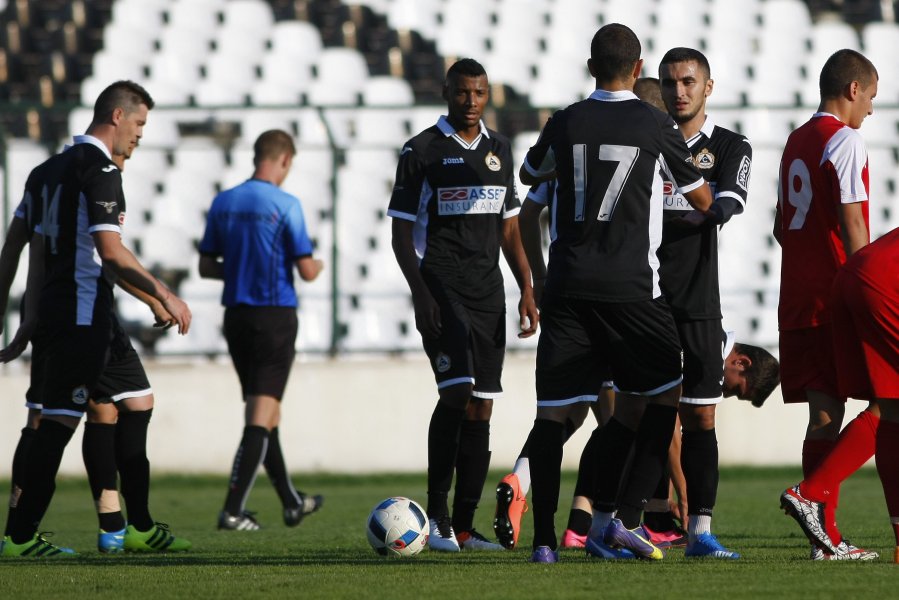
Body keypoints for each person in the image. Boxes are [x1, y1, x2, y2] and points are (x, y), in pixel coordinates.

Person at [518, 23, 712, 563]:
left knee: (553, 415)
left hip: (568, 288)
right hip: (631, 289)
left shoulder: (565, 121)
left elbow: (529, 172)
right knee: (665, 395)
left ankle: (545, 543)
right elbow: (698, 196)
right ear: (639, 67)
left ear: (589, 67)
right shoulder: (654, 122)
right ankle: (621, 517)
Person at [1, 80, 192, 558]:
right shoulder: (101, 171)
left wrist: (25, 317)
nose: (141, 134)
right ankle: (19, 536)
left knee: (136, 401)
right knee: (58, 423)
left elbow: (19, 250)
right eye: (140, 123)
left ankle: (133, 526)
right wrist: (165, 292)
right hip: (81, 322)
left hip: (75, 317)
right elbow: (111, 253)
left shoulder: (44, 173)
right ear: (116, 116)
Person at [389, 58, 538, 552]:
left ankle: (467, 526)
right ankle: (436, 517)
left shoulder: (500, 148)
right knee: (456, 394)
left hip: (487, 291)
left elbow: (511, 227)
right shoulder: (421, 151)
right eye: (462, 93)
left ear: (487, 94)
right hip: (442, 284)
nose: (471, 102)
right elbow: (400, 232)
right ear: (447, 92)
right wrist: (420, 291)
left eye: (479, 93)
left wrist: (527, 289)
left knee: (481, 407)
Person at [776, 49, 881, 560]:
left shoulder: (795, 142)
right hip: (840, 293)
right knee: (891, 405)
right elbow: (854, 223)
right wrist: (868, 290)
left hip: (797, 292)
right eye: (871, 100)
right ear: (854, 90)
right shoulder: (846, 140)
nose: (870, 113)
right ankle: (811, 494)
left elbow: (782, 227)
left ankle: (826, 539)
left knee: (824, 414)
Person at [654, 47, 755, 559]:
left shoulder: (732, 145)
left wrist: (696, 214)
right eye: (670, 83)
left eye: (689, 81)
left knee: (700, 419)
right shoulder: (644, 142)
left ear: (708, 87)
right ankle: (616, 524)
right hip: (641, 297)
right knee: (638, 414)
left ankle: (699, 532)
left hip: (697, 300)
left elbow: (729, 203)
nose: (680, 91)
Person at [199, 130, 325, 532]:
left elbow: (206, 266)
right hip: (274, 317)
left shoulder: (225, 201)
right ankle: (232, 510)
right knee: (260, 415)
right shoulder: (286, 204)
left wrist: (237, 269)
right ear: (285, 160)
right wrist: (318, 265)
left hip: (236, 317)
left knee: (266, 414)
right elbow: (306, 270)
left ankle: (291, 502)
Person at [828, 227, 899, 564]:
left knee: (892, 408)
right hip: (880, 281)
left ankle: (812, 492)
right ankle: (812, 492)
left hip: (856, 273)